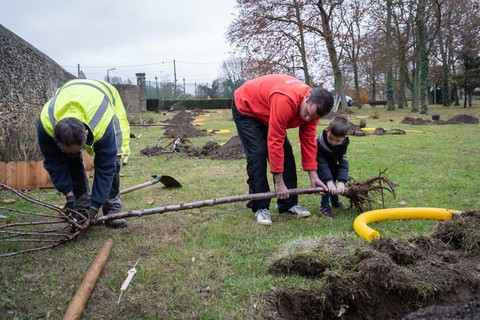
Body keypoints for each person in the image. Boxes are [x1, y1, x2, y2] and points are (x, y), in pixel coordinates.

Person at [232, 74, 334, 225]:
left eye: (312, 117)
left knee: (286, 153)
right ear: (306, 97)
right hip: (247, 107)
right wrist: (279, 182)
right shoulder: (285, 100)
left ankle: (289, 204)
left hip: (267, 110)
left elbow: (308, 142)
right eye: (306, 113)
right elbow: (275, 141)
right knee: (258, 153)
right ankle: (260, 206)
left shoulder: (314, 111)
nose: (307, 119)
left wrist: (313, 175)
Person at [37, 79, 131, 229]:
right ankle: (80, 206)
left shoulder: (102, 123)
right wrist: (69, 195)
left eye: (79, 149)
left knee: (114, 160)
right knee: (70, 161)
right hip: (69, 92)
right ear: (56, 139)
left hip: (104, 96)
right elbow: (54, 163)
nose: (77, 153)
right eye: (68, 150)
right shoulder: (45, 124)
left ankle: (112, 209)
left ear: (86, 134)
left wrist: (94, 208)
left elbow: (106, 167)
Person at [317, 114, 350, 218]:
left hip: (333, 167)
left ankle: (335, 202)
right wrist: (328, 180)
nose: (334, 143)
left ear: (344, 138)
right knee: (327, 187)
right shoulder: (319, 143)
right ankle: (324, 206)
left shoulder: (343, 145)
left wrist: (342, 181)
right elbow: (322, 164)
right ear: (327, 131)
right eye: (331, 139)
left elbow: (343, 163)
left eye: (338, 140)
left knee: (335, 185)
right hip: (321, 168)